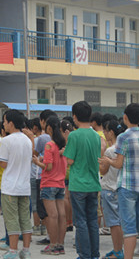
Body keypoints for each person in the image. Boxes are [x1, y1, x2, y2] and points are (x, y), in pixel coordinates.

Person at [64, 101, 102, 259]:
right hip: (93, 183)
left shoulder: (74, 135)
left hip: (78, 184)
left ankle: (84, 255)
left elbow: (70, 160)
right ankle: (94, 254)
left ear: (74, 116)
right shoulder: (96, 136)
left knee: (80, 221)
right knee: (92, 221)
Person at [103, 103, 139, 259]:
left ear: (125, 118)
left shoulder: (124, 137)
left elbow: (118, 164)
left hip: (127, 186)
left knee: (129, 228)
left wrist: (108, 161)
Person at [0, 109, 33, 259]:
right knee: (25, 219)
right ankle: (26, 250)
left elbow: (3, 164)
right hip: (24, 187)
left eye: (5, 121)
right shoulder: (27, 140)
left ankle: (12, 251)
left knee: (11, 219)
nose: (4, 124)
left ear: (11, 123)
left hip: (10, 187)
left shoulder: (6, 141)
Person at [32, 116, 67, 255]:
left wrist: (37, 162)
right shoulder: (62, 145)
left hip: (49, 183)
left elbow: (48, 167)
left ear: (49, 128)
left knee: (52, 215)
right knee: (61, 215)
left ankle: (52, 245)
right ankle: (60, 245)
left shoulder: (49, 145)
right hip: (60, 183)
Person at [98, 120, 127, 259]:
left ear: (111, 132)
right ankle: (118, 249)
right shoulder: (123, 147)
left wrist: (99, 160)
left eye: (105, 130)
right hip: (120, 188)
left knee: (114, 224)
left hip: (109, 188)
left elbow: (103, 171)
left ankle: (117, 250)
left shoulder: (110, 150)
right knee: (119, 222)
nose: (104, 133)